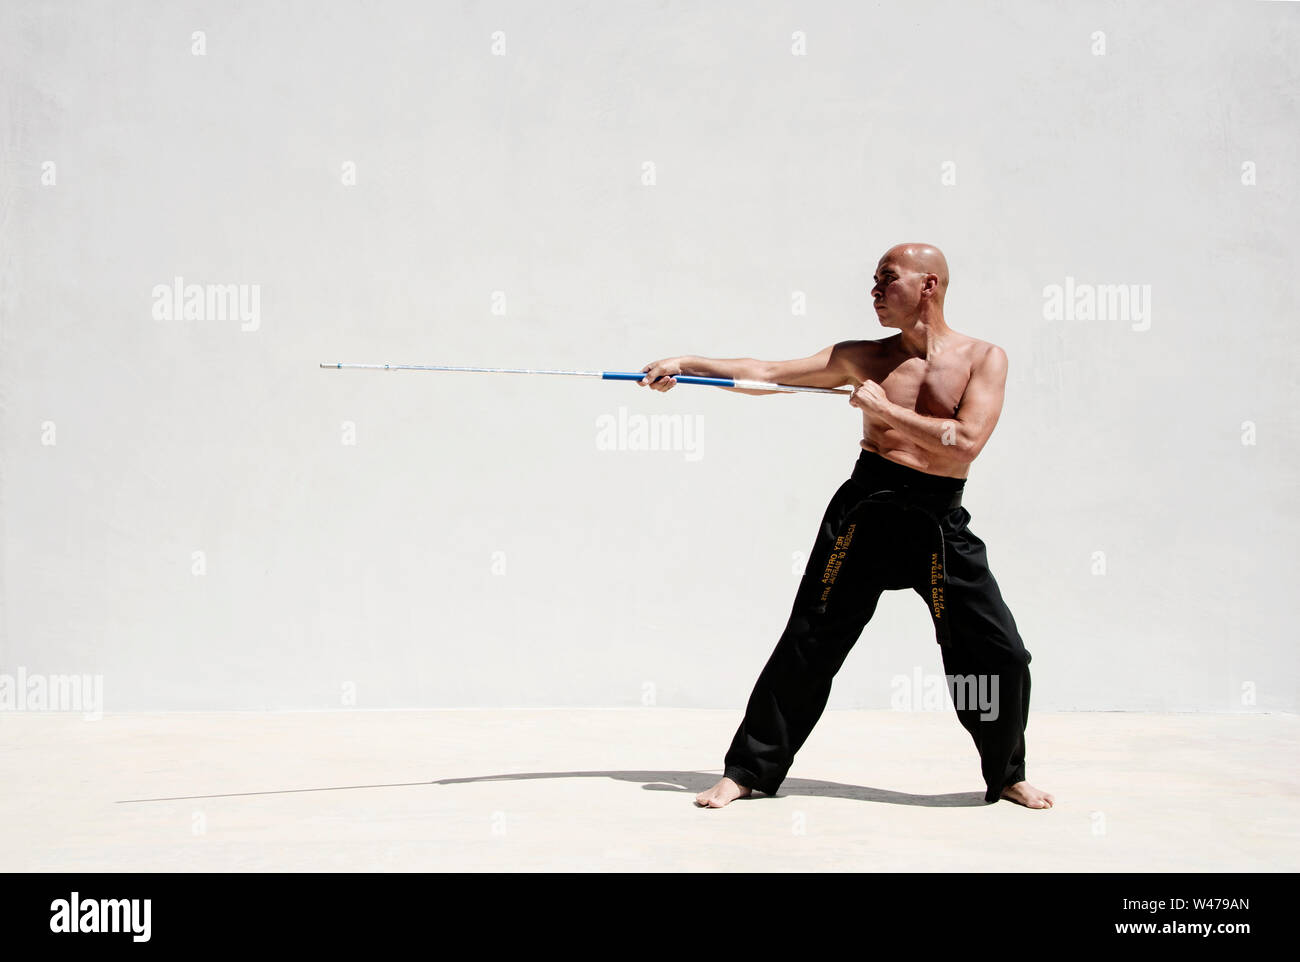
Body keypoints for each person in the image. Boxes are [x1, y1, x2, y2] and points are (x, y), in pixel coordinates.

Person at [638, 243, 1054, 810]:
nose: (876, 290)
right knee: (810, 642)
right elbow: (765, 373)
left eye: (888, 279)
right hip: (865, 511)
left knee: (999, 653)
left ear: (929, 285)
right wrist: (685, 367)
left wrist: (886, 412)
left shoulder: (984, 358)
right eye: (874, 280)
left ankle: (1006, 773)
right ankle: (748, 773)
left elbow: (967, 441)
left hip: (937, 519)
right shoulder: (861, 355)